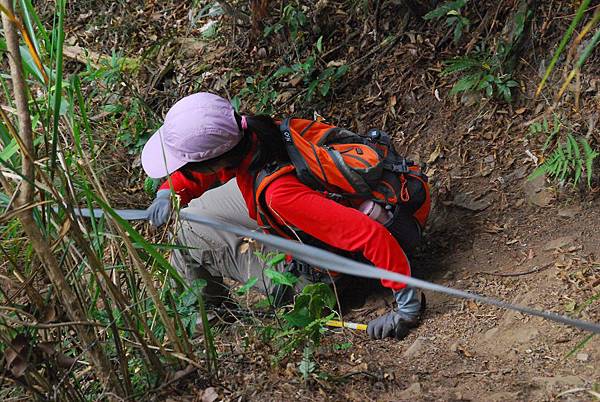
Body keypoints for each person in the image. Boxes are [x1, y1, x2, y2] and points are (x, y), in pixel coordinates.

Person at [141, 92, 425, 340]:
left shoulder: (279, 195)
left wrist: (407, 307)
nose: (182, 170)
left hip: (319, 278)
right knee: (195, 211)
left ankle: (212, 318)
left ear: (208, 163)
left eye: (186, 165)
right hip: (293, 213)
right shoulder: (257, 132)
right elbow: (208, 169)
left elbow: (372, 235)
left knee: (187, 232)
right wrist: (169, 193)